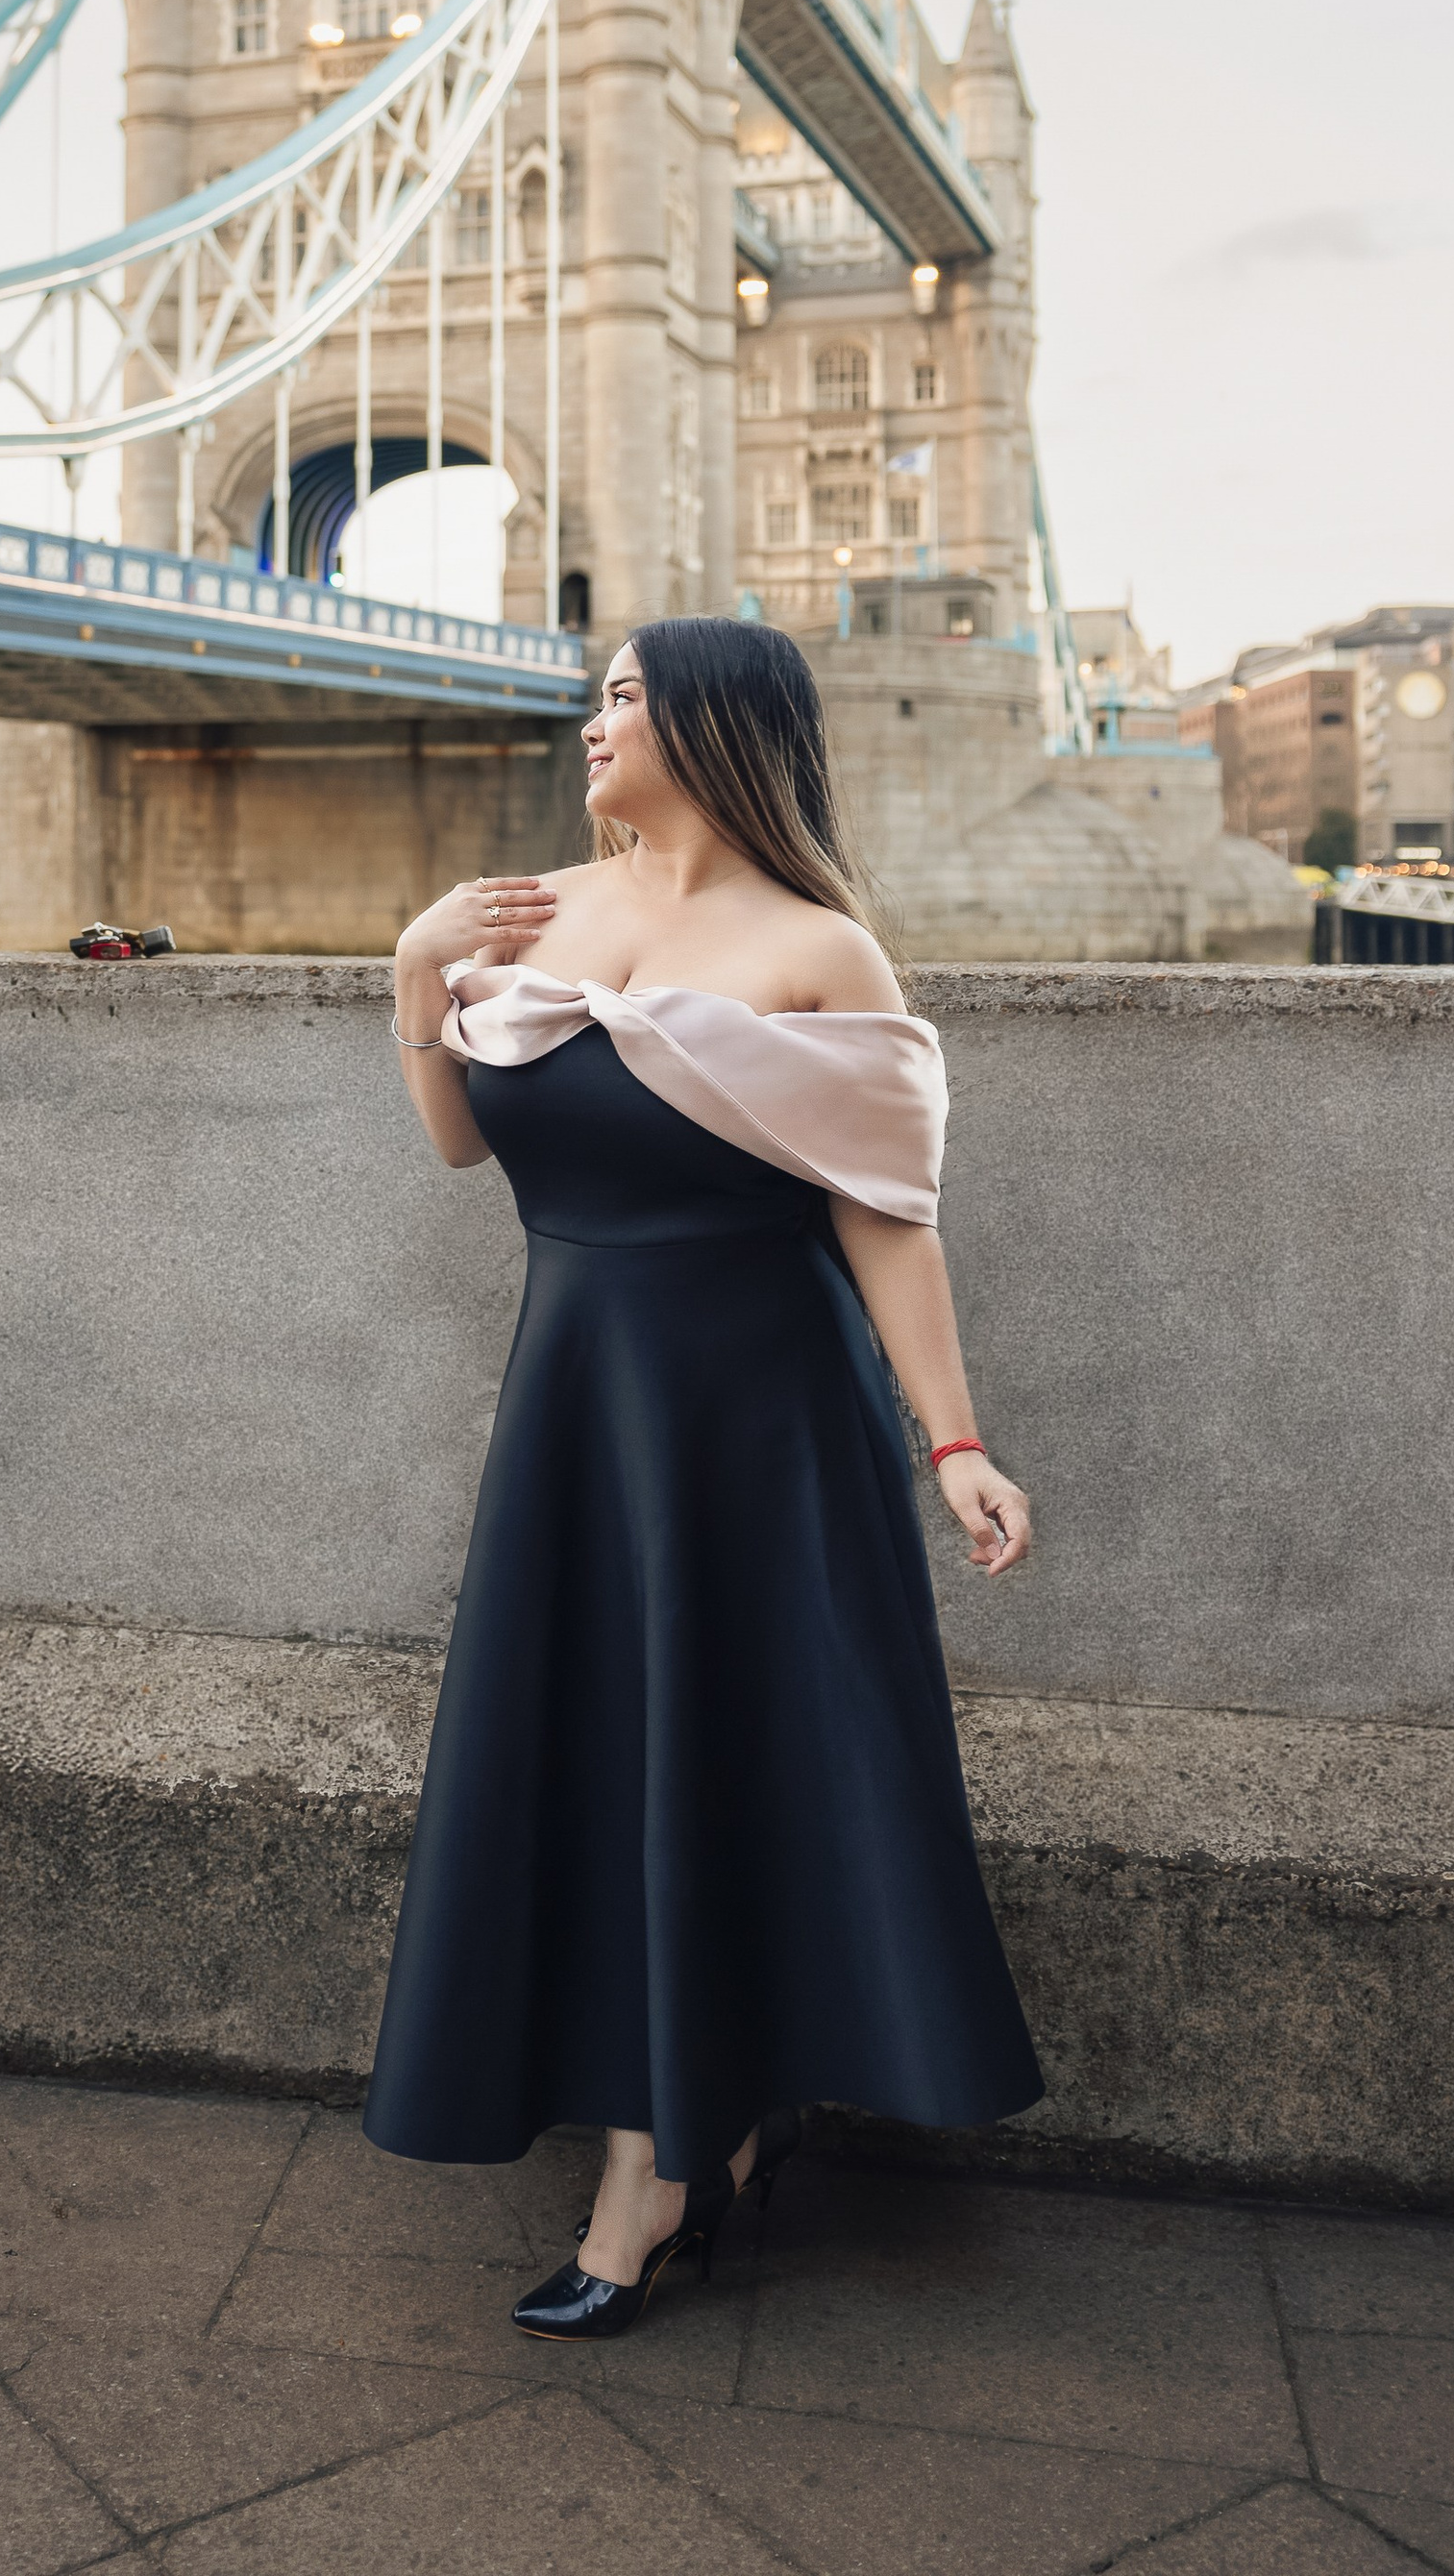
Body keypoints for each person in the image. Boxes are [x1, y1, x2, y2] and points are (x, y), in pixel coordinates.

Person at [362, 615, 1042, 2343]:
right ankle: (702, 2132)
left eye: (623, 694)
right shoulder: (537, 913)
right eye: (594, 693)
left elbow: (888, 1219)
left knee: (723, 1759)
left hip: (761, 1421)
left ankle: (651, 2178)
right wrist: (411, 973)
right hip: (581, 1403)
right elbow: (462, 1141)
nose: (592, 720)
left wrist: (952, 1443)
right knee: (606, 1755)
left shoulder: (824, 953)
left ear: (720, 723)